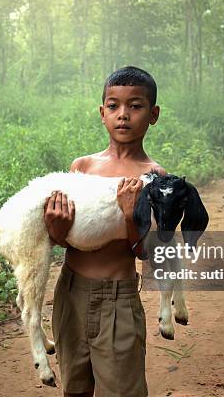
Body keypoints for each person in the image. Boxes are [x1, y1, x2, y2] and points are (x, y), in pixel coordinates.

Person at [43, 66, 165, 397]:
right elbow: (64, 239)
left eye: (135, 106)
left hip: (118, 300)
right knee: (75, 387)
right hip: (70, 293)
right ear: (102, 113)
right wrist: (57, 229)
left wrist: (131, 215)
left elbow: (148, 252)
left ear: (153, 114)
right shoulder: (82, 168)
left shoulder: (153, 176)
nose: (123, 115)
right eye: (113, 106)